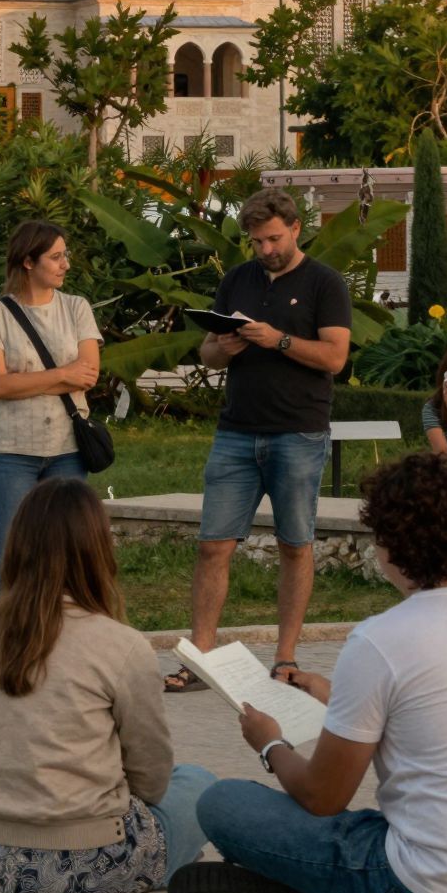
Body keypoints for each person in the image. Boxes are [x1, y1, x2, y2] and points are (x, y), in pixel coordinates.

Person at [167, 453, 447, 893]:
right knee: (380, 826)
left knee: (223, 803)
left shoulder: (381, 639)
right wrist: (336, 697)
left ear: (389, 542)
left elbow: (323, 797)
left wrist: (270, 745)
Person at [0, 478, 216, 893]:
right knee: (201, 784)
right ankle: (167, 858)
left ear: (16, 545)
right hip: (87, 860)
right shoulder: (121, 644)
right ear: (97, 550)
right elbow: (151, 780)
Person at [165, 188, 352, 692]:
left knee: (295, 545)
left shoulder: (324, 283)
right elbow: (206, 355)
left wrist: (280, 340)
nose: (266, 250)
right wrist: (223, 345)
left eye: (273, 239)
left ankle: (285, 657)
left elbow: (335, 358)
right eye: (256, 242)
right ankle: (200, 657)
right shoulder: (236, 281)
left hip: (298, 432)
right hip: (235, 432)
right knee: (212, 546)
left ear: (295, 228)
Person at [0, 219, 102, 606]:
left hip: (67, 452)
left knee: (65, 560)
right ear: (28, 262)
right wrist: (63, 375)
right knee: (5, 560)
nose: (66, 265)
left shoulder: (77, 308)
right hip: (9, 453)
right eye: (56, 257)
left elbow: (89, 375)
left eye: (66, 256)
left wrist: (26, 380)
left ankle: (54, 646)